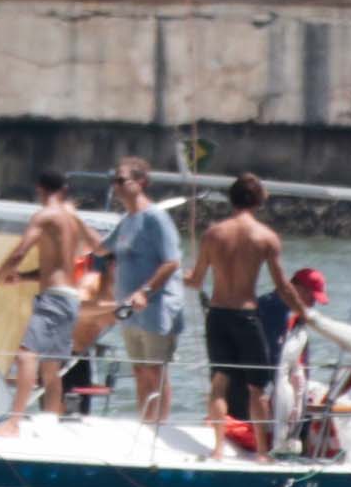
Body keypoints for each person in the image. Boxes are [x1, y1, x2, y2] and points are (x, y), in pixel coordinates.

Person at [0, 171, 97, 435]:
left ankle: (13, 423)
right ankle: (50, 422)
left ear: (40, 189)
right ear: (63, 190)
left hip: (53, 299)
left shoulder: (44, 217)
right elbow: (59, 267)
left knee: (26, 356)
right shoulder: (71, 221)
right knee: (51, 367)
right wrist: (23, 277)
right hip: (69, 298)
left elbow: (19, 253)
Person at [196, 173, 319, 438]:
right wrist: (304, 313)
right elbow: (283, 286)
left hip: (217, 314)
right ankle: (262, 450)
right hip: (245, 315)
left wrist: (182, 278)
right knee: (257, 387)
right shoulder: (265, 237)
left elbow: (195, 280)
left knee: (219, 383)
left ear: (232, 199)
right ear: (259, 202)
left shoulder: (212, 234)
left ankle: (218, 447)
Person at [82, 155, 187, 425]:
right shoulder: (127, 220)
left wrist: (145, 291)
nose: (115, 186)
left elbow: (172, 261)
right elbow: (102, 249)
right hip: (129, 310)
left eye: (120, 180)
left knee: (156, 372)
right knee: (140, 371)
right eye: (113, 180)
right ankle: (145, 423)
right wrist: (76, 222)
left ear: (141, 182)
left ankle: (159, 427)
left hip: (156, 307)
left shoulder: (155, 218)